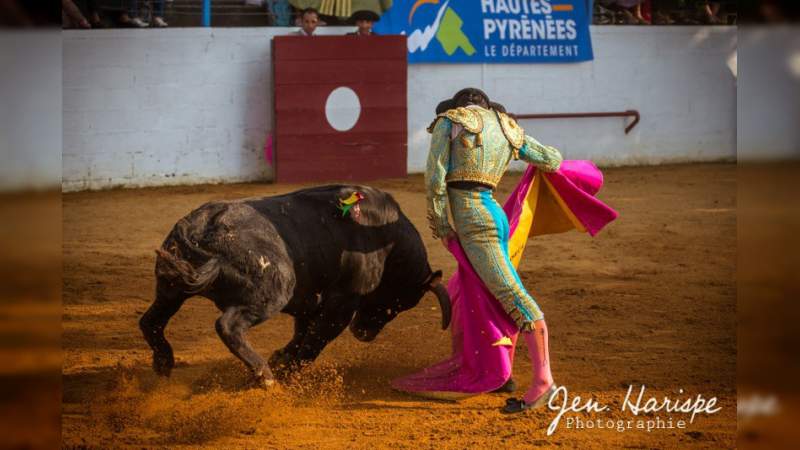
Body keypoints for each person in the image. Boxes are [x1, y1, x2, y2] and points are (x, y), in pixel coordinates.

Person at [424, 88, 562, 413]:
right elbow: (552, 160)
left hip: (474, 222)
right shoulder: (507, 126)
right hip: (495, 214)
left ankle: (544, 381)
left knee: (510, 294)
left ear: (461, 106)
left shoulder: (451, 120)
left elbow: (434, 179)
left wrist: (442, 226)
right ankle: (501, 372)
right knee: (487, 292)